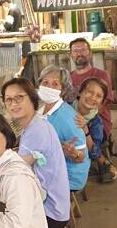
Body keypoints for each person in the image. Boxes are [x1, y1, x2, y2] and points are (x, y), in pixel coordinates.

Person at [1, 78, 71, 228]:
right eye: (9, 100)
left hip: (50, 213)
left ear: (32, 99)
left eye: (19, 97)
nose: (14, 103)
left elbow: (15, 170)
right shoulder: (35, 124)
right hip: (55, 205)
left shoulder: (37, 130)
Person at [37, 65, 89, 193]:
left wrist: (73, 153)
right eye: (45, 83)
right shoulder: (40, 108)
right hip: (49, 163)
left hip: (69, 175)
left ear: (63, 90)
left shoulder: (69, 119)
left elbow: (81, 157)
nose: (49, 87)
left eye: (55, 84)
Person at [74, 77, 117, 184]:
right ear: (80, 92)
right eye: (89, 92)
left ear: (102, 101)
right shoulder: (65, 107)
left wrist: (85, 129)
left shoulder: (96, 122)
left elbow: (93, 150)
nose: (93, 98)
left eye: (98, 96)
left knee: (96, 149)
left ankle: (103, 162)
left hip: (82, 150)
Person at [69, 37, 114, 139]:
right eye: (76, 51)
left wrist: (83, 121)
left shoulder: (102, 75)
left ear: (90, 53)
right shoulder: (68, 78)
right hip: (73, 120)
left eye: (83, 50)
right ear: (71, 55)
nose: (80, 53)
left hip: (96, 123)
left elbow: (101, 105)